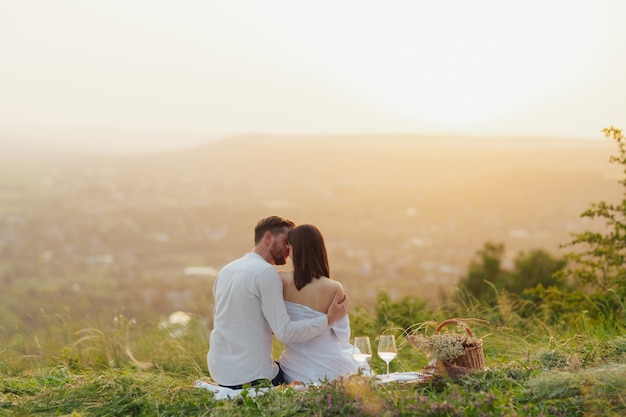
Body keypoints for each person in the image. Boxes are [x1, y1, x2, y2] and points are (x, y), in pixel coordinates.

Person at [207, 216, 349, 389]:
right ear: (268, 238)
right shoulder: (267, 273)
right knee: (297, 376)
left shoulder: (227, 270)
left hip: (221, 372)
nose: (289, 250)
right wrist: (328, 319)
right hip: (253, 377)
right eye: (285, 242)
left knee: (290, 365)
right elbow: (285, 333)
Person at [278, 224, 361, 384]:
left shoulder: (279, 281)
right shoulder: (334, 288)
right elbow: (343, 336)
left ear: (294, 250)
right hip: (330, 368)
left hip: (295, 369)